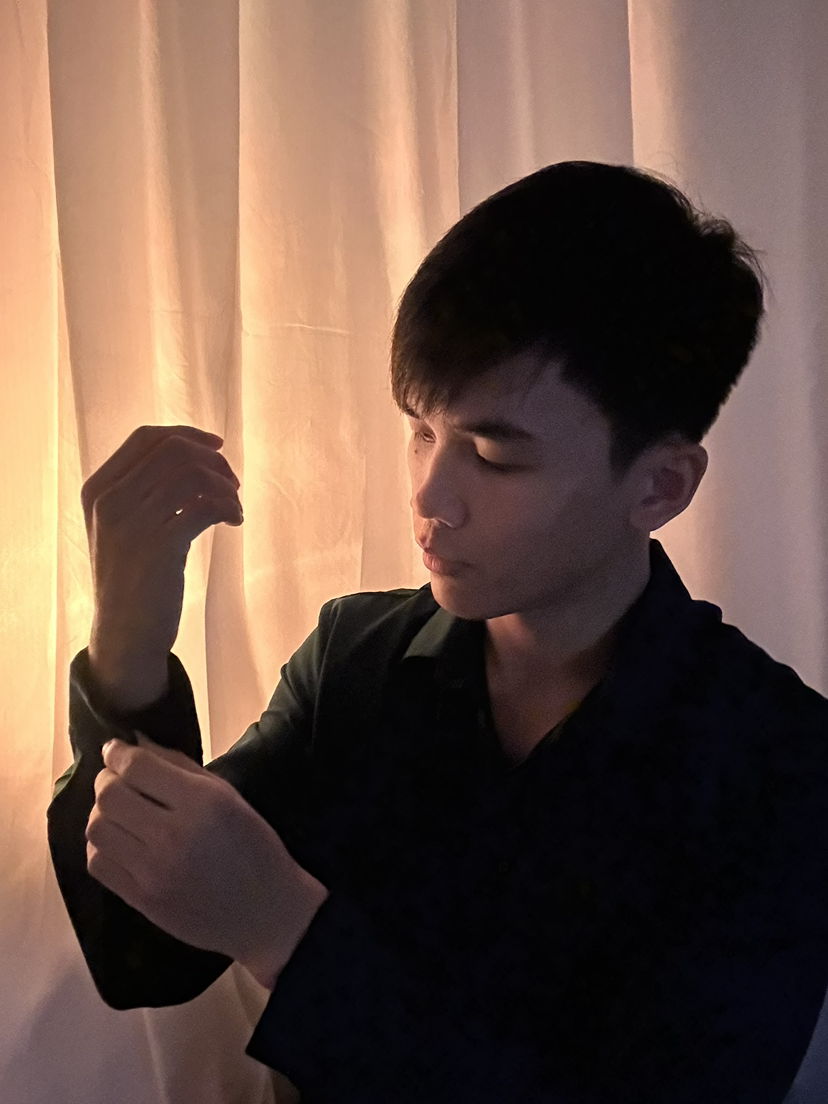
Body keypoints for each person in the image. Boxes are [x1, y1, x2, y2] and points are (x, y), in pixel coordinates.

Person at [48, 161, 828, 1104]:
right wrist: (126, 659)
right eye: (421, 430)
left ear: (660, 485)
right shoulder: (358, 659)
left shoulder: (779, 763)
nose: (429, 497)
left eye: (494, 456)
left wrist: (289, 934)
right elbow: (144, 957)